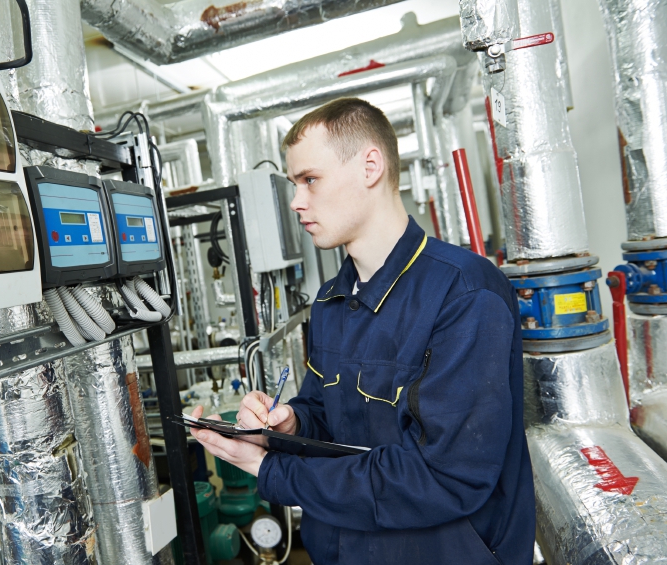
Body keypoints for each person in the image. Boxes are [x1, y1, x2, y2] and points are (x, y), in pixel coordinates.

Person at [190, 97, 535, 565]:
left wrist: (271, 470)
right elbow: (325, 413)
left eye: (310, 179)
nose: (296, 201)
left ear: (370, 166)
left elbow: (445, 477)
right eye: (295, 184)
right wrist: (286, 425)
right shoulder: (333, 299)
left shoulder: (465, 294)